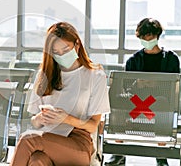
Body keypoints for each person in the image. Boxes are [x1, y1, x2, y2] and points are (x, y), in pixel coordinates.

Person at [10, 22, 110, 166]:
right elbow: (34, 122)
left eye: (66, 49)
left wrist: (66, 119)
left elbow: (94, 125)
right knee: (37, 161)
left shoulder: (95, 76)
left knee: (28, 139)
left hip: (78, 143)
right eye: (56, 52)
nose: (62, 55)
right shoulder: (44, 76)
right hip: (47, 139)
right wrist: (39, 119)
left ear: (77, 45)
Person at [105, 18, 180, 166]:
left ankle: (160, 155)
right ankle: (119, 151)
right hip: (137, 102)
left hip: (159, 103)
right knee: (120, 99)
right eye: (144, 37)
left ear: (157, 36)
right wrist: (138, 84)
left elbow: (173, 91)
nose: (147, 40)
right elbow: (127, 89)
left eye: (150, 36)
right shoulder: (133, 60)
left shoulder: (171, 59)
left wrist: (156, 84)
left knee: (161, 101)